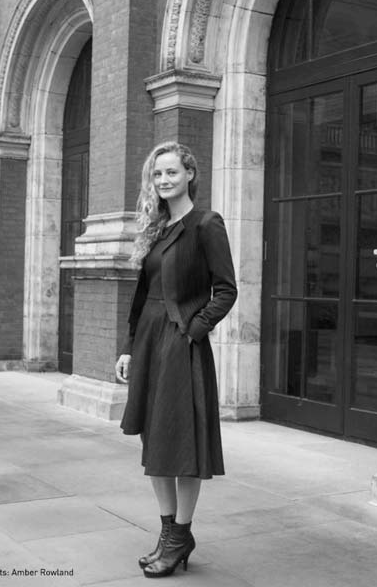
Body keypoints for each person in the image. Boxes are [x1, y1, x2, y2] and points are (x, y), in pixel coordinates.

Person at [115, 141, 237, 579]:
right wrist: (129, 346)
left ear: (189, 173)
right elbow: (142, 295)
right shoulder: (157, 227)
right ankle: (170, 535)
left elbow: (226, 290)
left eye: (170, 172)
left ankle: (181, 533)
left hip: (181, 341)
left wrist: (194, 329)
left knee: (180, 442)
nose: (163, 180)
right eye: (156, 174)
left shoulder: (207, 225)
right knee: (155, 438)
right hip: (149, 341)